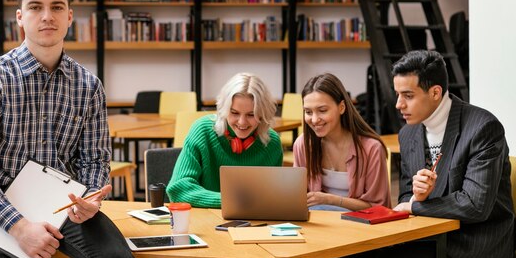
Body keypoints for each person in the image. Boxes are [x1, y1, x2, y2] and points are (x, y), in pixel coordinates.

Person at [0, 0, 136, 258]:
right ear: (20, 17)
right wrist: (19, 227)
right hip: (1, 201)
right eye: (35, 7)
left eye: (56, 7)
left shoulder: (88, 85)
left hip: (66, 202)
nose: (47, 16)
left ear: (69, 16)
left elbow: (94, 159)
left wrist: (90, 199)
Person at [367, 49, 516, 258]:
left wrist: (415, 206)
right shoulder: (407, 134)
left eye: (408, 96)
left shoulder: (483, 127)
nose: (399, 104)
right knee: (359, 256)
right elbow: (407, 197)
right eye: (398, 94)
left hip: (475, 244)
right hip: (428, 234)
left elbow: (475, 205)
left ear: (436, 93)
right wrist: (419, 196)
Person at [166, 72, 283, 208]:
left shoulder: (272, 142)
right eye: (234, 113)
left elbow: (273, 197)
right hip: (205, 221)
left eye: (251, 115)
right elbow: (177, 190)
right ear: (224, 109)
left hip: (254, 224)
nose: (242, 122)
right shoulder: (202, 131)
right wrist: (232, 201)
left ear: (263, 114)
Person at [294, 73, 390, 213]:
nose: (314, 120)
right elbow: (297, 198)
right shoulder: (303, 144)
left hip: (361, 226)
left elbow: (378, 207)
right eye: (308, 112)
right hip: (320, 224)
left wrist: (329, 199)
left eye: (322, 110)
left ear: (341, 107)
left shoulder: (372, 148)